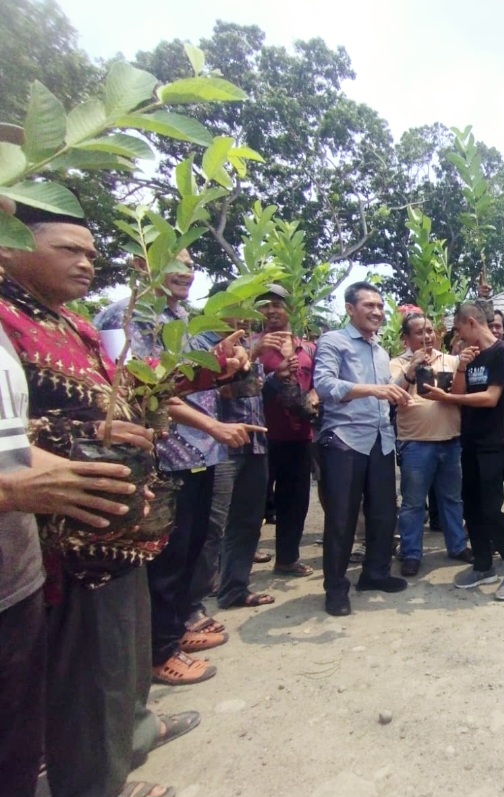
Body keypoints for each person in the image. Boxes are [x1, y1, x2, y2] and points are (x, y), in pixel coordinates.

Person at [0, 205, 245, 797]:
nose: (86, 262)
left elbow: (132, 382)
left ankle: (126, 741)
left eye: (90, 252)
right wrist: (85, 436)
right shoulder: (11, 321)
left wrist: (211, 371)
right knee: (91, 668)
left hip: (113, 527)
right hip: (68, 533)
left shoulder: (73, 323)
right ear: (11, 246)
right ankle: (95, 779)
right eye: (69, 250)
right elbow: (19, 439)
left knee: (119, 652)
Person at [0, 320, 158, 797]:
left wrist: (104, 480)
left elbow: (13, 447)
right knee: (87, 675)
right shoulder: (16, 321)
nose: (86, 272)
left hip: (21, 571)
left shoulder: (55, 327)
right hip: (63, 552)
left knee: (20, 741)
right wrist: (13, 490)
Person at [314, 281, 409, 616]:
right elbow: (324, 385)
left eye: (381, 306)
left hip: (381, 440)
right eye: (369, 305)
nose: (377, 312)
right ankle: (336, 588)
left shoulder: (380, 351)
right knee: (342, 518)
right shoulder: (333, 341)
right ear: (350, 309)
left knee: (384, 514)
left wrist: (402, 384)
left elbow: (384, 391)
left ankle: (375, 574)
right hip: (345, 440)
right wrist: (373, 390)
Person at [424, 302, 504, 600]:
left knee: (490, 507)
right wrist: (461, 365)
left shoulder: (502, 352)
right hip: (469, 440)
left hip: (493, 441)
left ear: (471, 322)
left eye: (459, 329)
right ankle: (483, 564)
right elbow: (459, 394)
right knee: (470, 505)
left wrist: (446, 397)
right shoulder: (471, 354)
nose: (459, 336)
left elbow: (491, 398)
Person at [193, 295, 274, 611]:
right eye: (237, 311)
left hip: (254, 442)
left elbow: (253, 391)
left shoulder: (246, 346)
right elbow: (216, 392)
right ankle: (193, 605)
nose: (244, 318)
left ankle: (233, 589)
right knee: (212, 525)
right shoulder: (200, 345)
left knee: (248, 521)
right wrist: (250, 354)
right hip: (220, 446)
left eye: (247, 313)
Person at [388, 312, 472, 576]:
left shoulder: (452, 361)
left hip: (451, 441)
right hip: (415, 444)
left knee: (452, 499)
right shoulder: (396, 364)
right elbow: (393, 396)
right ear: (405, 338)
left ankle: (457, 546)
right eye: (418, 332)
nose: (426, 337)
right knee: (413, 503)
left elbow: (462, 394)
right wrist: (412, 367)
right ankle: (411, 553)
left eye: (429, 331)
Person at [252, 284, 318, 577]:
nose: (271, 311)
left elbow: (318, 383)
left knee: (295, 501)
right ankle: (237, 566)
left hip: (299, 437)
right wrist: (267, 369)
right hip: (260, 437)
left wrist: (313, 398)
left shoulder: (308, 349)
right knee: (253, 502)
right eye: (264, 306)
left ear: (290, 309)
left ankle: (287, 559)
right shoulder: (252, 347)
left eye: (277, 304)